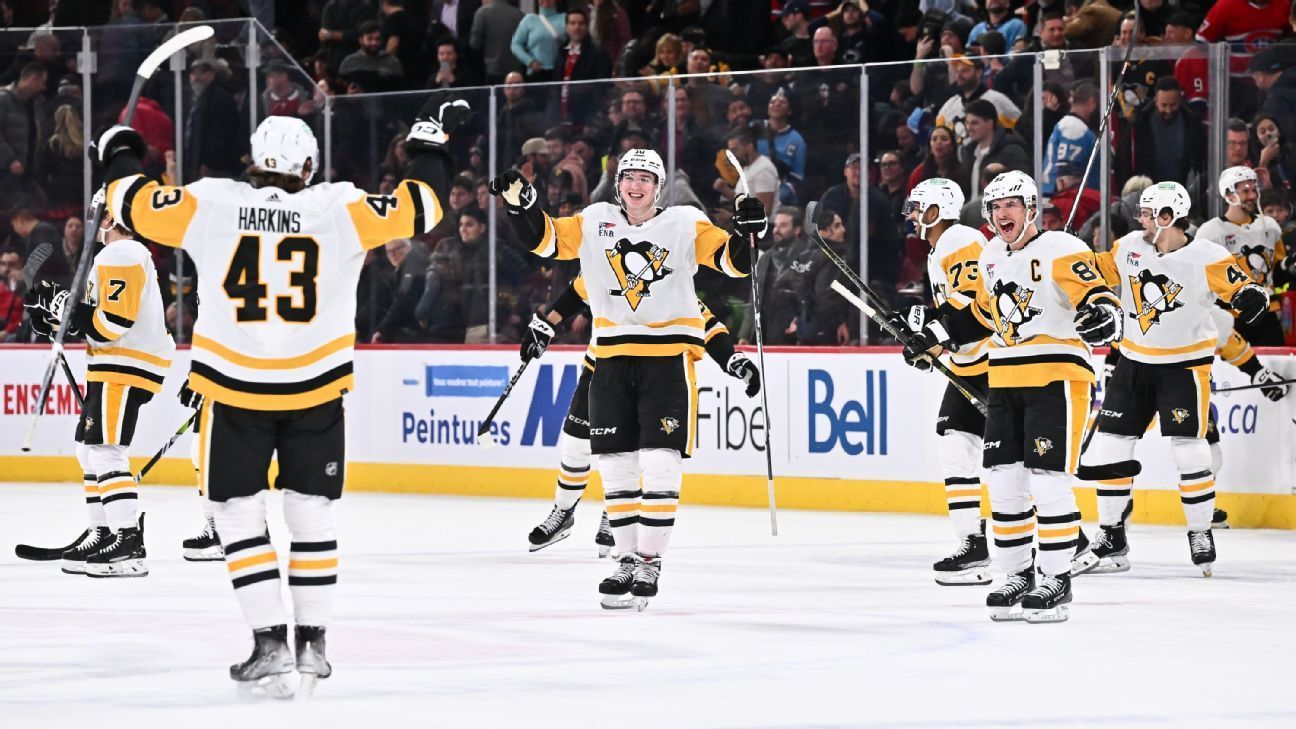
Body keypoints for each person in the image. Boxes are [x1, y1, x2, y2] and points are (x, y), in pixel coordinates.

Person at [94, 96, 466, 694]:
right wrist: (429, 146)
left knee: (237, 513)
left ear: (254, 159)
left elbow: (130, 202)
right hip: (315, 386)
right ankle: (312, 644)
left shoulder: (213, 202)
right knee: (310, 510)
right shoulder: (339, 206)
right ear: (309, 167)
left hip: (234, 388)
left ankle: (268, 643)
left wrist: (121, 149)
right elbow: (422, 205)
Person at [489, 147, 758, 610]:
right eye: (629, 176)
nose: (636, 185)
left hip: (666, 361)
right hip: (609, 361)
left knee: (660, 463)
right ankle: (625, 560)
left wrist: (749, 230)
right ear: (618, 183)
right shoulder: (595, 221)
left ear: (659, 188)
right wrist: (520, 206)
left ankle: (650, 563)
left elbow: (734, 262)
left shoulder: (685, 223)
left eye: (646, 179)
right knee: (615, 467)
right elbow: (546, 241)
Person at [904, 170, 1124, 623]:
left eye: (1012, 205)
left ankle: (1056, 579)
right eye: (996, 207)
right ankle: (1017, 574)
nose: (1003, 214)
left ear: (1031, 209)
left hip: (1056, 377)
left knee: (1047, 480)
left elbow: (1096, 294)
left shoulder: (1061, 247)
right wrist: (934, 334)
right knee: (1004, 482)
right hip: (1004, 378)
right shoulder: (990, 256)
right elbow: (981, 314)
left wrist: (1106, 315)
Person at [1076, 181, 1271, 578]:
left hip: (1184, 367)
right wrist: (1063, 256)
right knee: (1111, 447)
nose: (1141, 220)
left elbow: (1244, 286)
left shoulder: (1208, 256)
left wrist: (1254, 296)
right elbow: (1095, 269)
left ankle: (1200, 531)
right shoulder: (1129, 246)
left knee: (1190, 451)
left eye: (1149, 214)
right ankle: (1111, 535)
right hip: (1133, 362)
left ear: (1169, 217)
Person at [523, 275, 758, 554]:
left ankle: (616, 514)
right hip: (602, 365)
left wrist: (730, 357)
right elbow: (577, 291)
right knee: (575, 444)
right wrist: (545, 324)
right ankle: (563, 512)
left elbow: (704, 320)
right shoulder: (606, 260)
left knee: (626, 451)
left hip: (646, 371)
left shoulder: (668, 272)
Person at [22, 190, 176, 578]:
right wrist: (58, 319)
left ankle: (128, 542)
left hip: (124, 366)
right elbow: (99, 321)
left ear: (109, 217)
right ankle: (103, 531)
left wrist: (64, 310)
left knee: (106, 452)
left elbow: (111, 325)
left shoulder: (121, 254)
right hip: (115, 364)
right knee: (88, 451)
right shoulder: (121, 254)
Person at [892, 178, 992, 586]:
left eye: (919, 208)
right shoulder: (940, 250)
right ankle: (972, 544)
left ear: (937, 210)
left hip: (994, 362)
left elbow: (977, 303)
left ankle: (1067, 538)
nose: (913, 216)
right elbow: (951, 316)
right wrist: (924, 343)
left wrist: (932, 333)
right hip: (969, 363)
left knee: (1012, 461)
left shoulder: (959, 239)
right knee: (955, 447)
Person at [1195, 166, 1288, 346]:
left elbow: (1278, 272)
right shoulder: (1209, 233)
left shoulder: (1270, 227)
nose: (1252, 196)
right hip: (1230, 317)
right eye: (1245, 191)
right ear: (1229, 195)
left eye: (1254, 190)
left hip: (1267, 315)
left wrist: (1289, 266)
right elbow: (1201, 281)